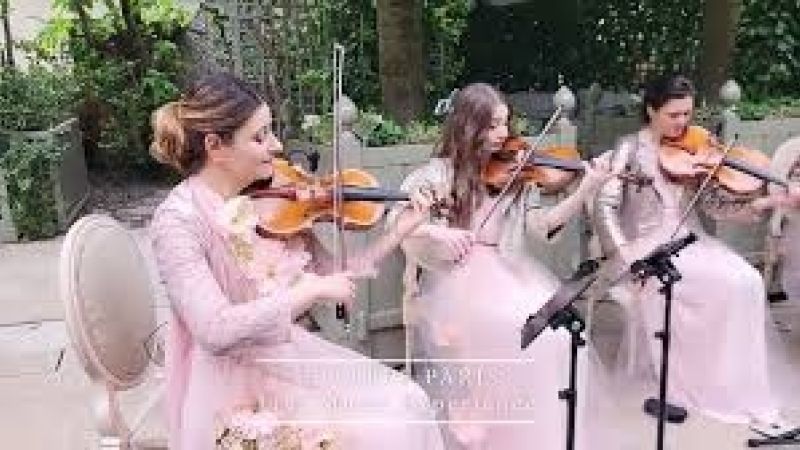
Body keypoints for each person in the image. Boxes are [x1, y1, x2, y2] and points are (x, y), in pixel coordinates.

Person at [149, 72, 444, 449]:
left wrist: (399, 231)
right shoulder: (177, 222)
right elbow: (214, 330)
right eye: (259, 137)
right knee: (376, 430)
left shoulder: (267, 201)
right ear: (215, 147)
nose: (276, 146)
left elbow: (335, 275)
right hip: (227, 383)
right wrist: (307, 293)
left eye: (271, 132)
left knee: (407, 402)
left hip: (282, 356)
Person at [387, 82, 614, 449]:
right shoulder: (438, 174)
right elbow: (397, 220)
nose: (502, 134)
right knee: (506, 337)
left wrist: (587, 187)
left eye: (505, 123)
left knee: (554, 337)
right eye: (492, 125)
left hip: (505, 272)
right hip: (455, 279)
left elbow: (542, 226)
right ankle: (486, 434)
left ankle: (529, 437)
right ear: (467, 126)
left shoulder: (516, 172)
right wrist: (437, 232)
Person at [591, 74, 785, 430]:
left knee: (747, 280)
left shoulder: (693, 148)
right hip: (646, 246)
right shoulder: (629, 148)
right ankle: (689, 380)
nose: (682, 122)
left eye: (687, 114)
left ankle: (728, 381)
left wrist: (756, 205)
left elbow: (711, 204)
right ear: (651, 110)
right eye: (673, 114)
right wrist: (629, 260)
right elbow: (604, 207)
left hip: (689, 240)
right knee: (712, 286)